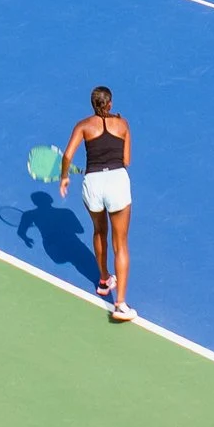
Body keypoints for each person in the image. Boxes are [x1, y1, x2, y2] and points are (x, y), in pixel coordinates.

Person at [60, 85, 134, 321]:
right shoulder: (122, 124)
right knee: (120, 244)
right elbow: (126, 161)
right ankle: (119, 304)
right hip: (117, 181)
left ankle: (103, 280)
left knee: (99, 231)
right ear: (110, 104)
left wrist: (64, 177)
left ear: (93, 104)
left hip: (92, 183)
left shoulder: (83, 125)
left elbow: (67, 156)